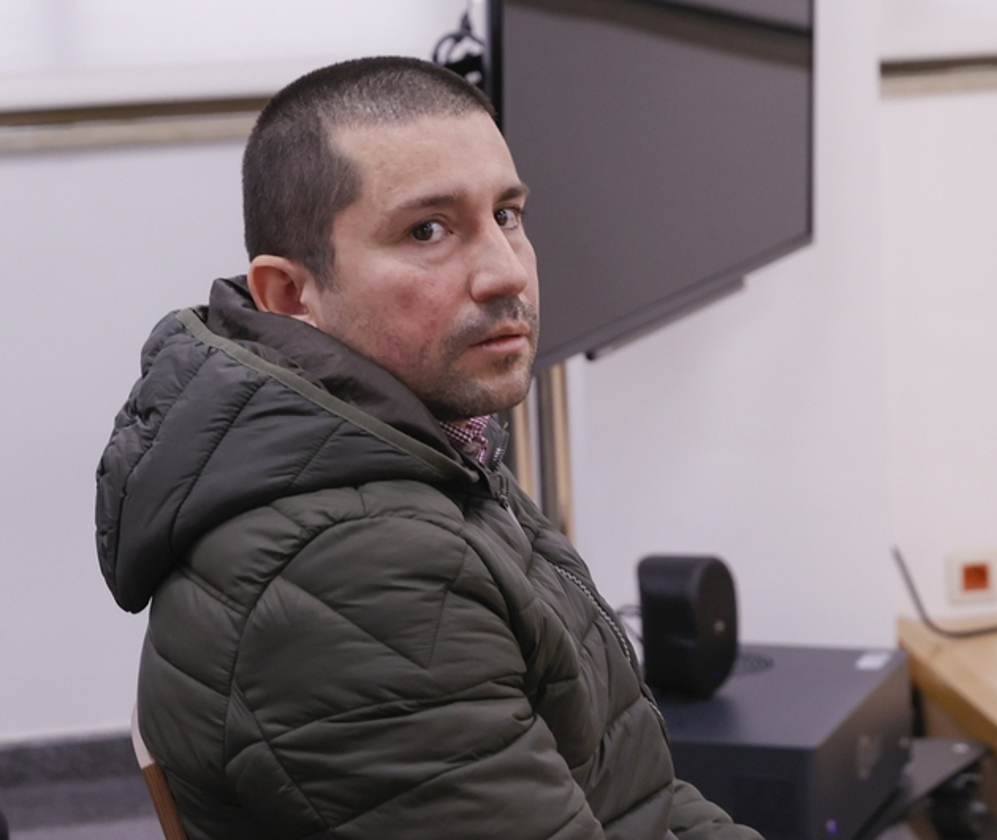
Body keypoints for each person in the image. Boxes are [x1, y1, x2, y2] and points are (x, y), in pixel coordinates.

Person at [95, 57, 761, 840]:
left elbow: (637, 796)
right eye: (428, 230)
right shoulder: (351, 571)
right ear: (288, 295)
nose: (505, 272)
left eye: (508, 215)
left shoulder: (419, 445)